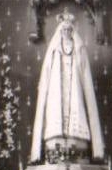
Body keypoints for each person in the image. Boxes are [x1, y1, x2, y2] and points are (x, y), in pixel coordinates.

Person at [30, 11, 104, 161]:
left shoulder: (79, 49)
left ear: (72, 31)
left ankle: (75, 138)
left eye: (69, 30)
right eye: (64, 30)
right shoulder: (53, 50)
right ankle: (55, 138)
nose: (66, 32)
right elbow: (46, 76)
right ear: (60, 31)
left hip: (74, 89)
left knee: (76, 109)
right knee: (56, 112)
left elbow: (85, 78)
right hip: (57, 91)